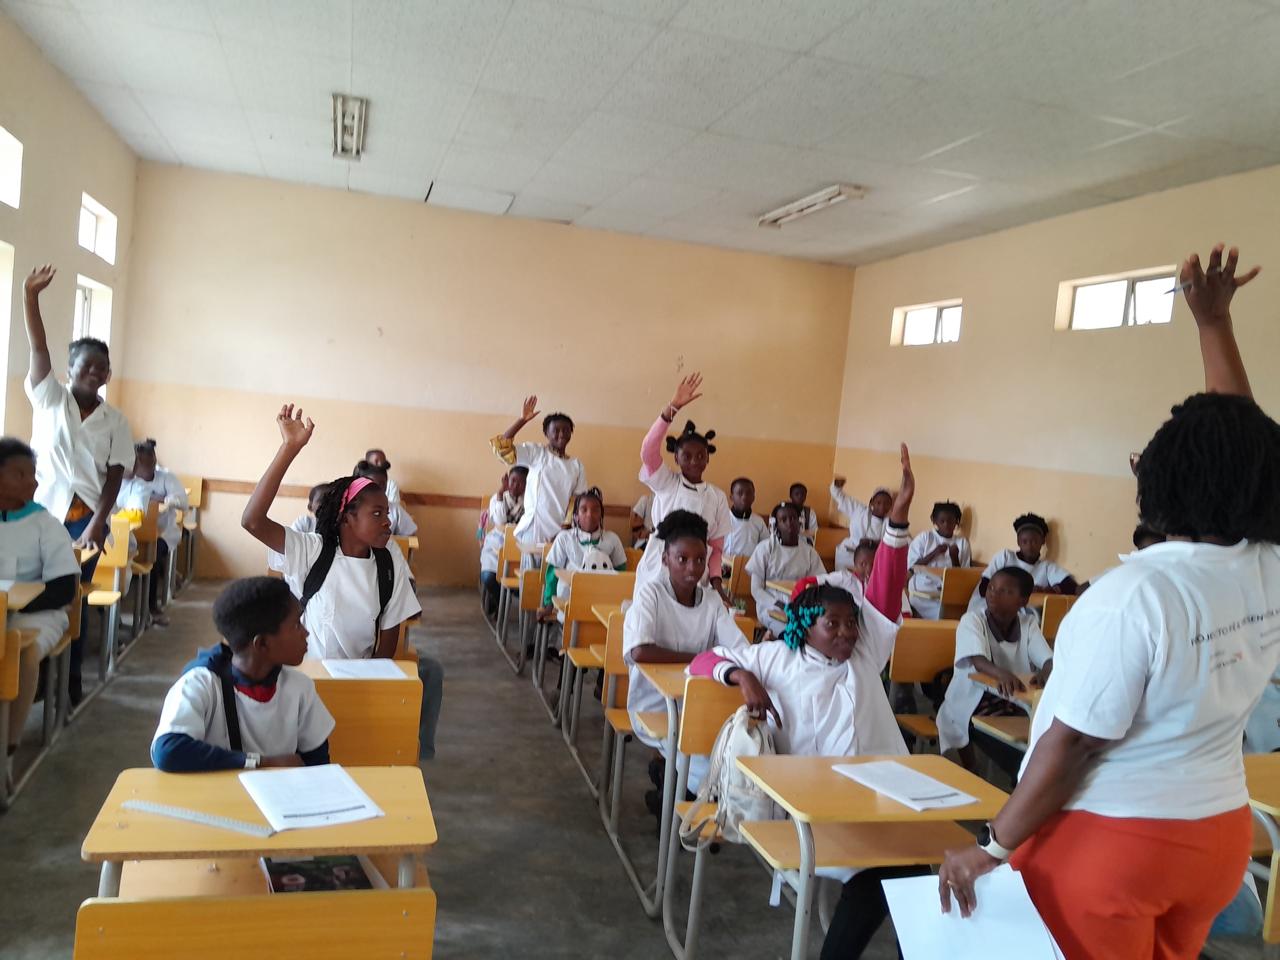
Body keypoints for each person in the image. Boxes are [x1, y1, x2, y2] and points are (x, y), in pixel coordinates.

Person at [938, 244, 1280, 960]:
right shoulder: (1263, 568)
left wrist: (994, 847)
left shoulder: (1134, 595)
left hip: (1114, 843)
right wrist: (1213, 326)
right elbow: (1243, 449)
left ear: (1156, 484)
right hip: (1215, 837)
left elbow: (1071, 746)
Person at [691, 443, 920, 959]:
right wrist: (743, 676)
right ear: (802, 626)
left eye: (849, 623)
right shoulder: (777, 658)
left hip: (873, 800)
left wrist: (898, 519)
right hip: (807, 813)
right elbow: (701, 663)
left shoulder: (862, 657)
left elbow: (883, 596)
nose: (844, 633)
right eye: (830, 624)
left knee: (920, 861)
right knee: (894, 869)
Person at [243, 405, 444, 759]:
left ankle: (413, 753)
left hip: (360, 678)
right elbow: (253, 521)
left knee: (423, 678)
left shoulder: (388, 559)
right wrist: (289, 448)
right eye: (377, 514)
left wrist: (369, 690)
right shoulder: (311, 551)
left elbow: (389, 633)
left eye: (388, 513)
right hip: (306, 678)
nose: (387, 522)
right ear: (347, 518)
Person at [22, 264, 133, 703]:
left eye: (102, 369)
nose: (95, 373)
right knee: (35, 594)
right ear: (69, 369)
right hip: (43, 512)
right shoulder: (50, 398)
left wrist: (98, 524)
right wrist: (31, 298)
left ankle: (68, 684)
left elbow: (116, 472)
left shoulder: (115, 420)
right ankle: (34, 678)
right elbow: (37, 347)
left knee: (72, 595)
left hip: (83, 519)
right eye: (87, 365)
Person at [624, 510, 748, 806]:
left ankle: (673, 792)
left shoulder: (712, 601)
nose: (692, 568)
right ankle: (678, 803)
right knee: (701, 757)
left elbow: (738, 648)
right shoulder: (650, 595)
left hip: (698, 702)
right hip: (654, 703)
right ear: (665, 559)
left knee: (731, 748)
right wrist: (701, 659)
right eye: (682, 559)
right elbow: (640, 650)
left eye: (700, 559)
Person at [150, 577, 334, 772]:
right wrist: (262, 762)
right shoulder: (201, 684)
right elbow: (168, 751)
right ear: (261, 644)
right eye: (297, 625)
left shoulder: (299, 688)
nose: (306, 633)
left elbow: (318, 763)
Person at [0, 438, 79, 756]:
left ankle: (8, 745)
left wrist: (15, 605)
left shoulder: (45, 525)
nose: (32, 482)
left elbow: (64, 589)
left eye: (33, 475)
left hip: (39, 613)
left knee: (23, 652)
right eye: (19, 474)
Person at [936, 566, 1053, 774]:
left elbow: (1048, 659)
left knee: (1041, 733)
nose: (994, 594)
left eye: (1005, 591)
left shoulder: (1028, 623)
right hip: (975, 697)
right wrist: (1002, 674)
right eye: (991, 588)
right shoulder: (973, 620)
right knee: (1016, 751)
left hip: (1013, 697)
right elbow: (978, 660)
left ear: (1023, 601)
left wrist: (1045, 671)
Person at [633, 373, 732, 600]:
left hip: (696, 574)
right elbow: (648, 450)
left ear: (708, 458)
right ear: (676, 458)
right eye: (686, 456)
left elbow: (715, 549)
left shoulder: (716, 497)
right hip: (658, 569)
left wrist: (717, 585)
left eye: (700, 456)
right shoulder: (666, 482)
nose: (694, 461)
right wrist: (673, 408)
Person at [491, 398, 586, 553]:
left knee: (549, 577)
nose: (561, 434)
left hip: (559, 534)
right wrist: (522, 420)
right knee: (529, 576)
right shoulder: (536, 452)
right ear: (546, 433)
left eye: (566, 430)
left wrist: (563, 530)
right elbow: (502, 449)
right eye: (556, 430)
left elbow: (575, 502)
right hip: (533, 529)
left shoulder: (577, 466)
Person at [115, 439, 188, 627]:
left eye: (152, 461)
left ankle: (152, 608)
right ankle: (116, 614)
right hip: (128, 533)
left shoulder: (166, 477)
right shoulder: (124, 481)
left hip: (161, 532)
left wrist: (165, 500)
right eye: (144, 463)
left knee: (153, 555)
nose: (150, 466)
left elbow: (182, 501)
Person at [540, 487, 627, 616]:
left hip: (602, 600)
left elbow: (621, 574)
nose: (589, 514)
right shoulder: (564, 538)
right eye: (584, 509)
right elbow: (553, 573)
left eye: (596, 510)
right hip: (570, 597)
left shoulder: (612, 539)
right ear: (576, 516)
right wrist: (548, 604)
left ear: (601, 516)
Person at [969, 513, 1078, 612]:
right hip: (985, 608)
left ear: (1043, 541)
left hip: (1016, 616)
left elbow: (1071, 586)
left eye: (1034, 541)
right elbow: (984, 588)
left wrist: (1044, 590)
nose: (1029, 546)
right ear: (1018, 541)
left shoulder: (1046, 567)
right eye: (1024, 541)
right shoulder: (1005, 556)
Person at [748, 502, 827, 636]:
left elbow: (820, 582)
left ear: (800, 521)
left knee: (815, 631)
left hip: (799, 604)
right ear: (776, 524)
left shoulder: (809, 552)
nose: (789, 523)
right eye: (783, 520)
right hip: (771, 605)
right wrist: (779, 604)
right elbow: (756, 589)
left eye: (793, 518)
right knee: (790, 632)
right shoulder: (765, 548)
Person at [907, 501, 971, 619]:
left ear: (956, 522)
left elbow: (963, 578)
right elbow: (912, 567)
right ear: (934, 521)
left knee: (954, 614)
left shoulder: (962, 543)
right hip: (923, 592)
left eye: (951, 521)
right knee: (941, 616)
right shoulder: (925, 537)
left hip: (948, 594)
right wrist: (934, 553)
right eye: (942, 521)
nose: (946, 524)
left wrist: (954, 558)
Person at [479, 467, 527, 618]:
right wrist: (501, 493)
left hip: (519, 545)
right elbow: (500, 521)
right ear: (506, 481)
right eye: (513, 481)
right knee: (488, 576)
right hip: (497, 542)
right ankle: (500, 602)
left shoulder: (530, 502)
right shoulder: (497, 498)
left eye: (521, 482)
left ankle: (504, 601)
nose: (516, 485)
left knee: (522, 583)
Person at [829, 476, 892, 571]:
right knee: (845, 580)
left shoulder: (890, 523)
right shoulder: (859, 510)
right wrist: (837, 485)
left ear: (891, 506)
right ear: (871, 502)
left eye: (887, 503)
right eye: (878, 503)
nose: (882, 507)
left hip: (871, 559)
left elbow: (894, 542)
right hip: (849, 553)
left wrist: (872, 542)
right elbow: (838, 495)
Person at [354, 461, 417, 536]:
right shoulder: (353, 508)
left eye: (382, 484)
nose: (378, 488)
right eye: (371, 484)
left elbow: (410, 537)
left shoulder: (395, 510)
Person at [724, 477, 768, 564]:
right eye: (740, 493)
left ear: (753, 497)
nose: (744, 497)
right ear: (731, 497)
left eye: (748, 493)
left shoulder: (758, 522)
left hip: (750, 567)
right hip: (724, 567)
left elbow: (765, 547)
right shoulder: (721, 519)